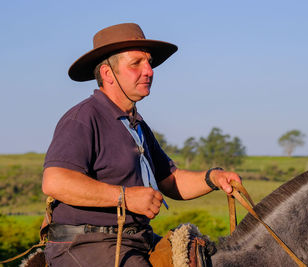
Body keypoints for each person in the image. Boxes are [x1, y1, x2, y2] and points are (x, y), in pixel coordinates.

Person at [42, 22, 242, 266]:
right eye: (136, 63)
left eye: (148, 62)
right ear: (107, 74)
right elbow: (55, 181)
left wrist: (213, 178)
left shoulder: (136, 125)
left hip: (138, 241)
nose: (149, 70)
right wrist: (124, 197)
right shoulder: (84, 117)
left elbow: (170, 180)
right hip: (87, 244)